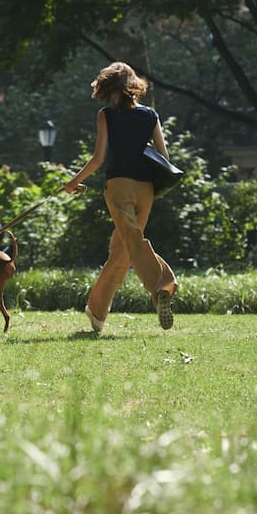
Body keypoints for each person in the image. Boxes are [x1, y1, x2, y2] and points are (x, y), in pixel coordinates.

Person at [62, 61, 178, 333]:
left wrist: (73, 182)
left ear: (109, 89)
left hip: (119, 186)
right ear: (133, 87)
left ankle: (162, 286)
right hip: (146, 189)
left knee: (132, 242)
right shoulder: (151, 115)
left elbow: (98, 158)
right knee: (122, 248)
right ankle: (97, 313)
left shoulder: (106, 115)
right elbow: (164, 158)